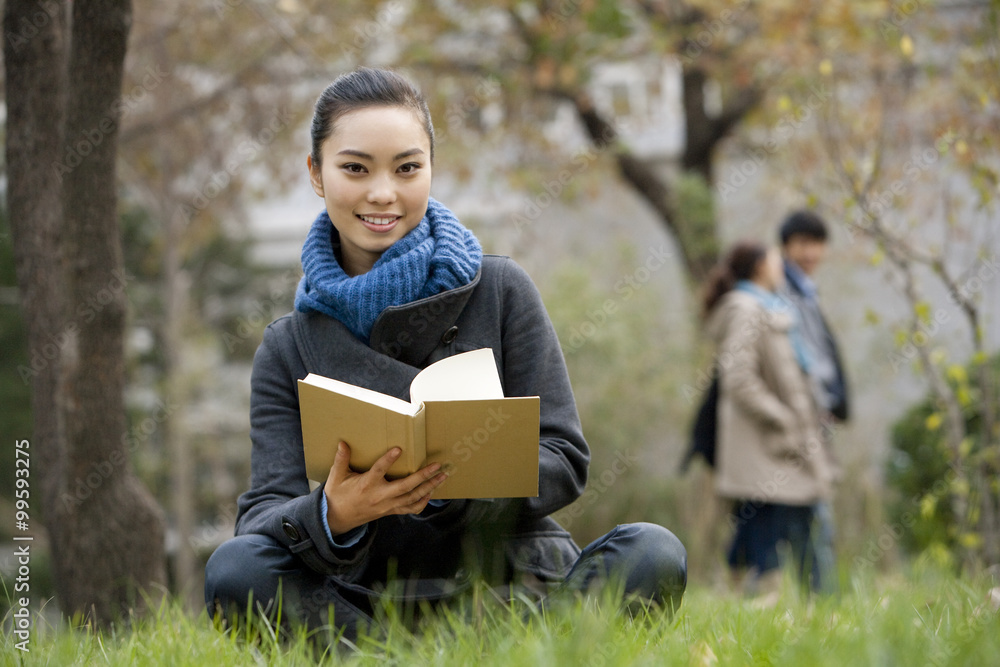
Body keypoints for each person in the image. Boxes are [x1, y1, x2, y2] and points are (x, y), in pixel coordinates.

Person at [203, 67, 687, 641]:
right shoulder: (290, 345)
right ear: (316, 173)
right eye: (355, 168)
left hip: (514, 586)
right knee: (234, 571)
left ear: (432, 169)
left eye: (407, 168)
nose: (383, 192)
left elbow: (564, 458)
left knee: (652, 552)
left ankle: (531, 649)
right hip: (366, 602)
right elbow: (262, 515)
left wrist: (460, 478)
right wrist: (336, 513)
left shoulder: (501, 290)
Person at [702, 240, 833, 594]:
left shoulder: (767, 306)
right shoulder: (747, 309)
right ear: (760, 267)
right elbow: (738, 377)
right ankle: (765, 592)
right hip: (766, 441)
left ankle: (749, 588)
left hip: (777, 440)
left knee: (771, 517)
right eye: (776, 260)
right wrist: (784, 417)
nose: (781, 267)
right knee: (771, 516)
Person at [778, 210, 849, 594]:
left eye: (816, 243)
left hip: (815, 419)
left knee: (809, 512)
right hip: (801, 421)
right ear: (787, 247)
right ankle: (822, 601)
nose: (811, 252)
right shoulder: (783, 293)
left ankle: (820, 601)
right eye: (802, 243)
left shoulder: (805, 290)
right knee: (809, 512)